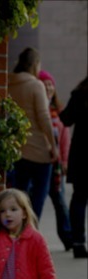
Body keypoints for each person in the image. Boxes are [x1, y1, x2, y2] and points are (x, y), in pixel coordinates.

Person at [8, 48, 58, 219]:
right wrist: (53, 145)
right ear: (35, 64)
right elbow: (44, 118)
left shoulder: (8, 83)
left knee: (19, 197)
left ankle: (18, 232)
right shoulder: (36, 85)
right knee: (38, 198)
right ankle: (31, 233)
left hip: (17, 150)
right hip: (39, 151)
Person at [38, 70, 73, 251]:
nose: (48, 87)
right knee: (36, 200)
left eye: (50, 84)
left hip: (56, 166)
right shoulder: (37, 108)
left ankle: (69, 239)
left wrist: (65, 160)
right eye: (44, 84)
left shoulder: (58, 111)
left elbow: (65, 138)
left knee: (60, 202)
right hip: (40, 163)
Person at [59, 75, 88, 259]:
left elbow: (66, 119)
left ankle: (78, 242)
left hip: (82, 154)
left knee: (79, 198)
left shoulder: (80, 93)